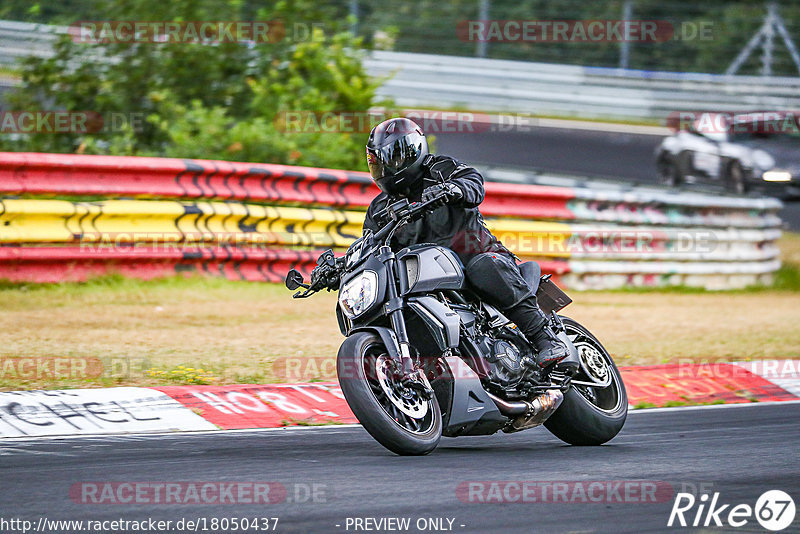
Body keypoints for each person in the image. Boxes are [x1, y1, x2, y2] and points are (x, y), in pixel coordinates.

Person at [363, 117, 568, 370]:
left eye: (392, 159)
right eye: (379, 162)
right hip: (432, 279)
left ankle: (544, 337)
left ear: (412, 151)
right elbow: (369, 245)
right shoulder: (380, 208)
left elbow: (473, 183)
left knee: (482, 266)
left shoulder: (441, 169)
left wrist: (452, 190)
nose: (386, 168)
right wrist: (337, 268)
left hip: (478, 258)